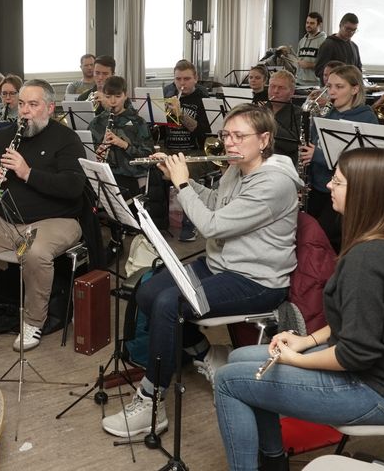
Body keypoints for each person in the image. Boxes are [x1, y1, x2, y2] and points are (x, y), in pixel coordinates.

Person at [213, 148, 384, 471]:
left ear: (364, 194)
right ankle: (273, 462)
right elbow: (357, 319)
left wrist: (296, 360)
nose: (328, 185)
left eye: (337, 181)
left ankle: (264, 463)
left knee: (228, 381)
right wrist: (306, 340)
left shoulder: (368, 259)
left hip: (383, 392)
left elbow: (355, 353)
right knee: (239, 358)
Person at [102, 104, 299, 439]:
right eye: (226, 135)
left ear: (264, 140)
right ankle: (209, 354)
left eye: (239, 136)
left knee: (170, 304)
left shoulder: (275, 183)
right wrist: (181, 179)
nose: (230, 143)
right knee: (147, 292)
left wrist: (182, 186)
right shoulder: (237, 168)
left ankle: (151, 402)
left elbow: (211, 226)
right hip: (220, 265)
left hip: (256, 280)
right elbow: (215, 203)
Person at [0, 79, 85, 352]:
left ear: (50, 108)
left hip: (55, 220)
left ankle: (33, 322)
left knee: (35, 252)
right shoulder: (3, 137)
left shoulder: (67, 140)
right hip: (6, 219)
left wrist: (27, 173)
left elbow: (74, 187)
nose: (24, 111)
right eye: (22, 104)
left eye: (33, 105)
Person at [299, 65, 378, 251]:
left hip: (345, 194)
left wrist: (317, 155)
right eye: (329, 86)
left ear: (355, 89)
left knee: (321, 237)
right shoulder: (325, 113)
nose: (331, 92)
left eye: (339, 87)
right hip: (316, 188)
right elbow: (310, 147)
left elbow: (361, 163)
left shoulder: (366, 118)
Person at [163, 60, 211, 242]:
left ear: (195, 78)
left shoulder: (203, 99)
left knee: (186, 172)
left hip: (195, 151)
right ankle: (159, 223)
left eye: (187, 79)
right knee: (155, 166)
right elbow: (160, 130)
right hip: (171, 148)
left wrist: (181, 114)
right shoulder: (168, 96)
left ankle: (190, 225)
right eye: (178, 79)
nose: (182, 83)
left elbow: (204, 134)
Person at [88, 75, 153, 199]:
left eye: (117, 96)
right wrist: (97, 153)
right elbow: (87, 155)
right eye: (108, 97)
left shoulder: (138, 122)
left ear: (125, 95)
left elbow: (148, 158)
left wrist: (124, 145)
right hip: (105, 176)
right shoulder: (96, 122)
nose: (113, 101)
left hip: (131, 177)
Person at [314, 13, 361, 81]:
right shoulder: (328, 45)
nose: (351, 32)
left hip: (349, 86)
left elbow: (358, 70)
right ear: (340, 26)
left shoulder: (354, 47)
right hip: (333, 86)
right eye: (348, 29)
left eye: (354, 30)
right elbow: (319, 70)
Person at [267, 70, 299, 166]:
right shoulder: (261, 109)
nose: (275, 91)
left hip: (282, 164)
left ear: (292, 92)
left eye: (281, 88)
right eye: (272, 86)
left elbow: (292, 146)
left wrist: (268, 121)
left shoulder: (298, 113)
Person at [296, 12, 326, 87]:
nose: (308, 25)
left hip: (316, 83)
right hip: (300, 81)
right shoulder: (302, 41)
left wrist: (310, 65)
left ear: (319, 24)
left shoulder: (324, 41)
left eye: (312, 23)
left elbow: (326, 64)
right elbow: (298, 60)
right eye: (307, 22)